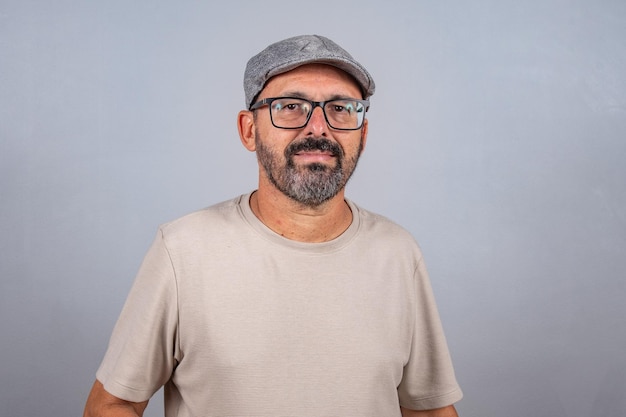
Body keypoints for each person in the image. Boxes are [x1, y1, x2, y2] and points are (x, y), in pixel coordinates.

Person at [83, 34, 463, 417]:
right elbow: (112, 404)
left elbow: (429, 410)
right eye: (290, 107)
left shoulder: (398, 253)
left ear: (362, 135)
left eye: (341, 108)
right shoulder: (182, 250)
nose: (318, 127)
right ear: (249, 130)